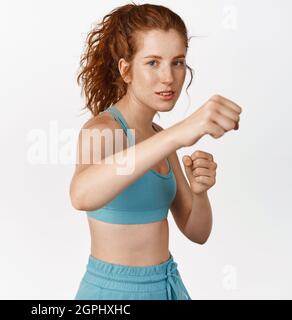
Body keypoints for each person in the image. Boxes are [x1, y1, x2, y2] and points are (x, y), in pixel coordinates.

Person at [70, 3, 242, 300]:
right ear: (126, 69)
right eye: (152, 63)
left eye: (177, 62)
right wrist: (180, 132)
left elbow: (197, 232)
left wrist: (200, 192)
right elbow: (81, 195)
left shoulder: (160, 138)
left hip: (166, 286)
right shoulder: (105, 131)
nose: (168, 77)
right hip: (113, 293)